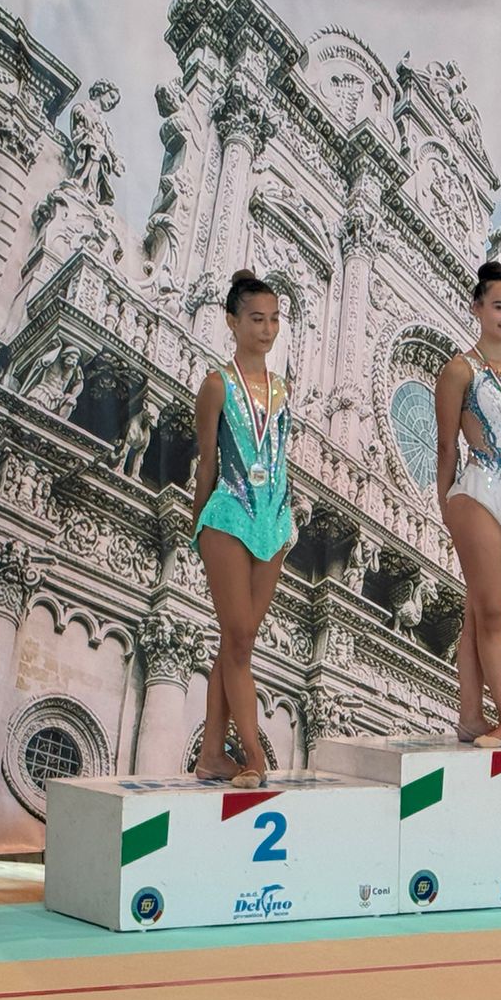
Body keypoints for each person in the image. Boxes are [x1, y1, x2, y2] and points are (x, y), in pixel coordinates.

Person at [192, 270, 294, 788]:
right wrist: (198, 526)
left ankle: (212, 755)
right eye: (257, 319)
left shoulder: (282, 391)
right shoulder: (217, 385)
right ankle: (253, 756)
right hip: (228, 516)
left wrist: (286, 522)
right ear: (232, 322)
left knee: (239, 645)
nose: (267, 329)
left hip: (273, 523)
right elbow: (207, 464)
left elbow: (280, 459)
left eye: (274, 320)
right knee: (236, 639)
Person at [436, 259, 501, 749]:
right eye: (500, 307)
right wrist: (445, 502)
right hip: (477, 492)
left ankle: (470, 717)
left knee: (480, 612)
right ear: (477, 308)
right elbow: (446, 445)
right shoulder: (459, 370)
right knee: (494, 612)